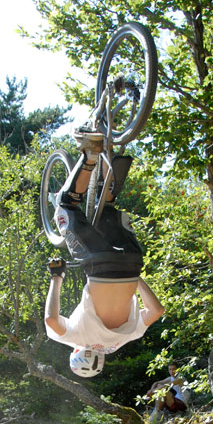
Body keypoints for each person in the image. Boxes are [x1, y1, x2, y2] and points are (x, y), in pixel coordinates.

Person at [44, 125, 165, 377]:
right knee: (66, 205)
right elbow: (51, 321)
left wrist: (135, 278)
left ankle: (111, 175)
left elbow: (157, 311)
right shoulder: (76, 339)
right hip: (99, 266)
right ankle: (90, 154)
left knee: (106, 209)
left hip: (131, 261)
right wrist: (57, 278)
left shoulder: (124, 340)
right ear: (75, 355)